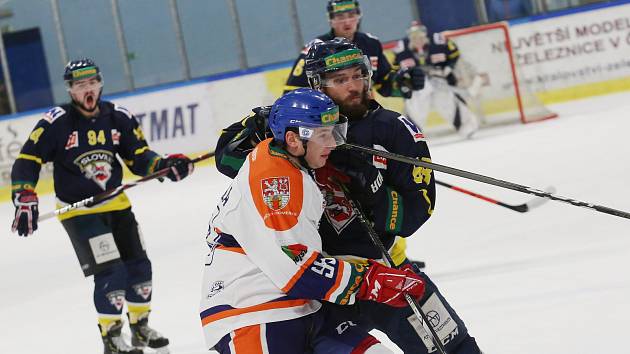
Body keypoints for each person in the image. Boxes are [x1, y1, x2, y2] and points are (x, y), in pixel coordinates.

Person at [214, 39, 483, 354]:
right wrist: (261, 124)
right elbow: (228, 161)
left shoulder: (396, 131)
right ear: (318, 84)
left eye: (358, 76)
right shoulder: (293, 123)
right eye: (340, 80)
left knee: (454, 347)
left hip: (385, 269)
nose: (354, 86)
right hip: (321, 282)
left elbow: (417, 211)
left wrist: (372, 191)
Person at [200, 88, 426, 353]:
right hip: (253, 313)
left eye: (333, 132)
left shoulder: (290, 166)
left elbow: (307, 256)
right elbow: (298, 269)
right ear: (294, 140)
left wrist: (381, 270)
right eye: (323, 135)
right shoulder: (276, 182)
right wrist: (373, 279)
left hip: (305, 309)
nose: (333, 143)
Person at [10, 58, 194, 354]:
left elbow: (138, 157)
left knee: (140, 268)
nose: (88, 90)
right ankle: (111, 338)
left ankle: (139, 327)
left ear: (100, 83)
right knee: (112, 273)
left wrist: (163, 166)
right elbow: (27, 160)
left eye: (92, 83)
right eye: (80, 85)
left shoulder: (118, 117)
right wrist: (25, 195)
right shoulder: (57, 121)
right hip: (79, 212)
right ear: (70, 90)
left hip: (117, 204)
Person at [284, 0, 424, 98]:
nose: (347, 21)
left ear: (359, 16)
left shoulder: (371, 43)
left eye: (351, 15)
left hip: (366, 115)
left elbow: (383, 82)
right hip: (333, 122)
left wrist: (405, 81)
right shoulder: (315, 49)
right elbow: (291, 91)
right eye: (340, 17)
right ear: (330, 20)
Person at [393, 21, 480, 139]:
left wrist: (448, 69)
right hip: (417, 85)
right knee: (417, 104)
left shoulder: (439, 41)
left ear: (425, 34)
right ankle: (410, 135)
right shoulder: (401, 49)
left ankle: (467, 126)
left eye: (420, 35)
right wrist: (406, 81)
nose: (417, 39)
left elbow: (454, 54)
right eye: (414, 36)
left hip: (439, 79)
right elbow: (395, 69)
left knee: (446, 99)